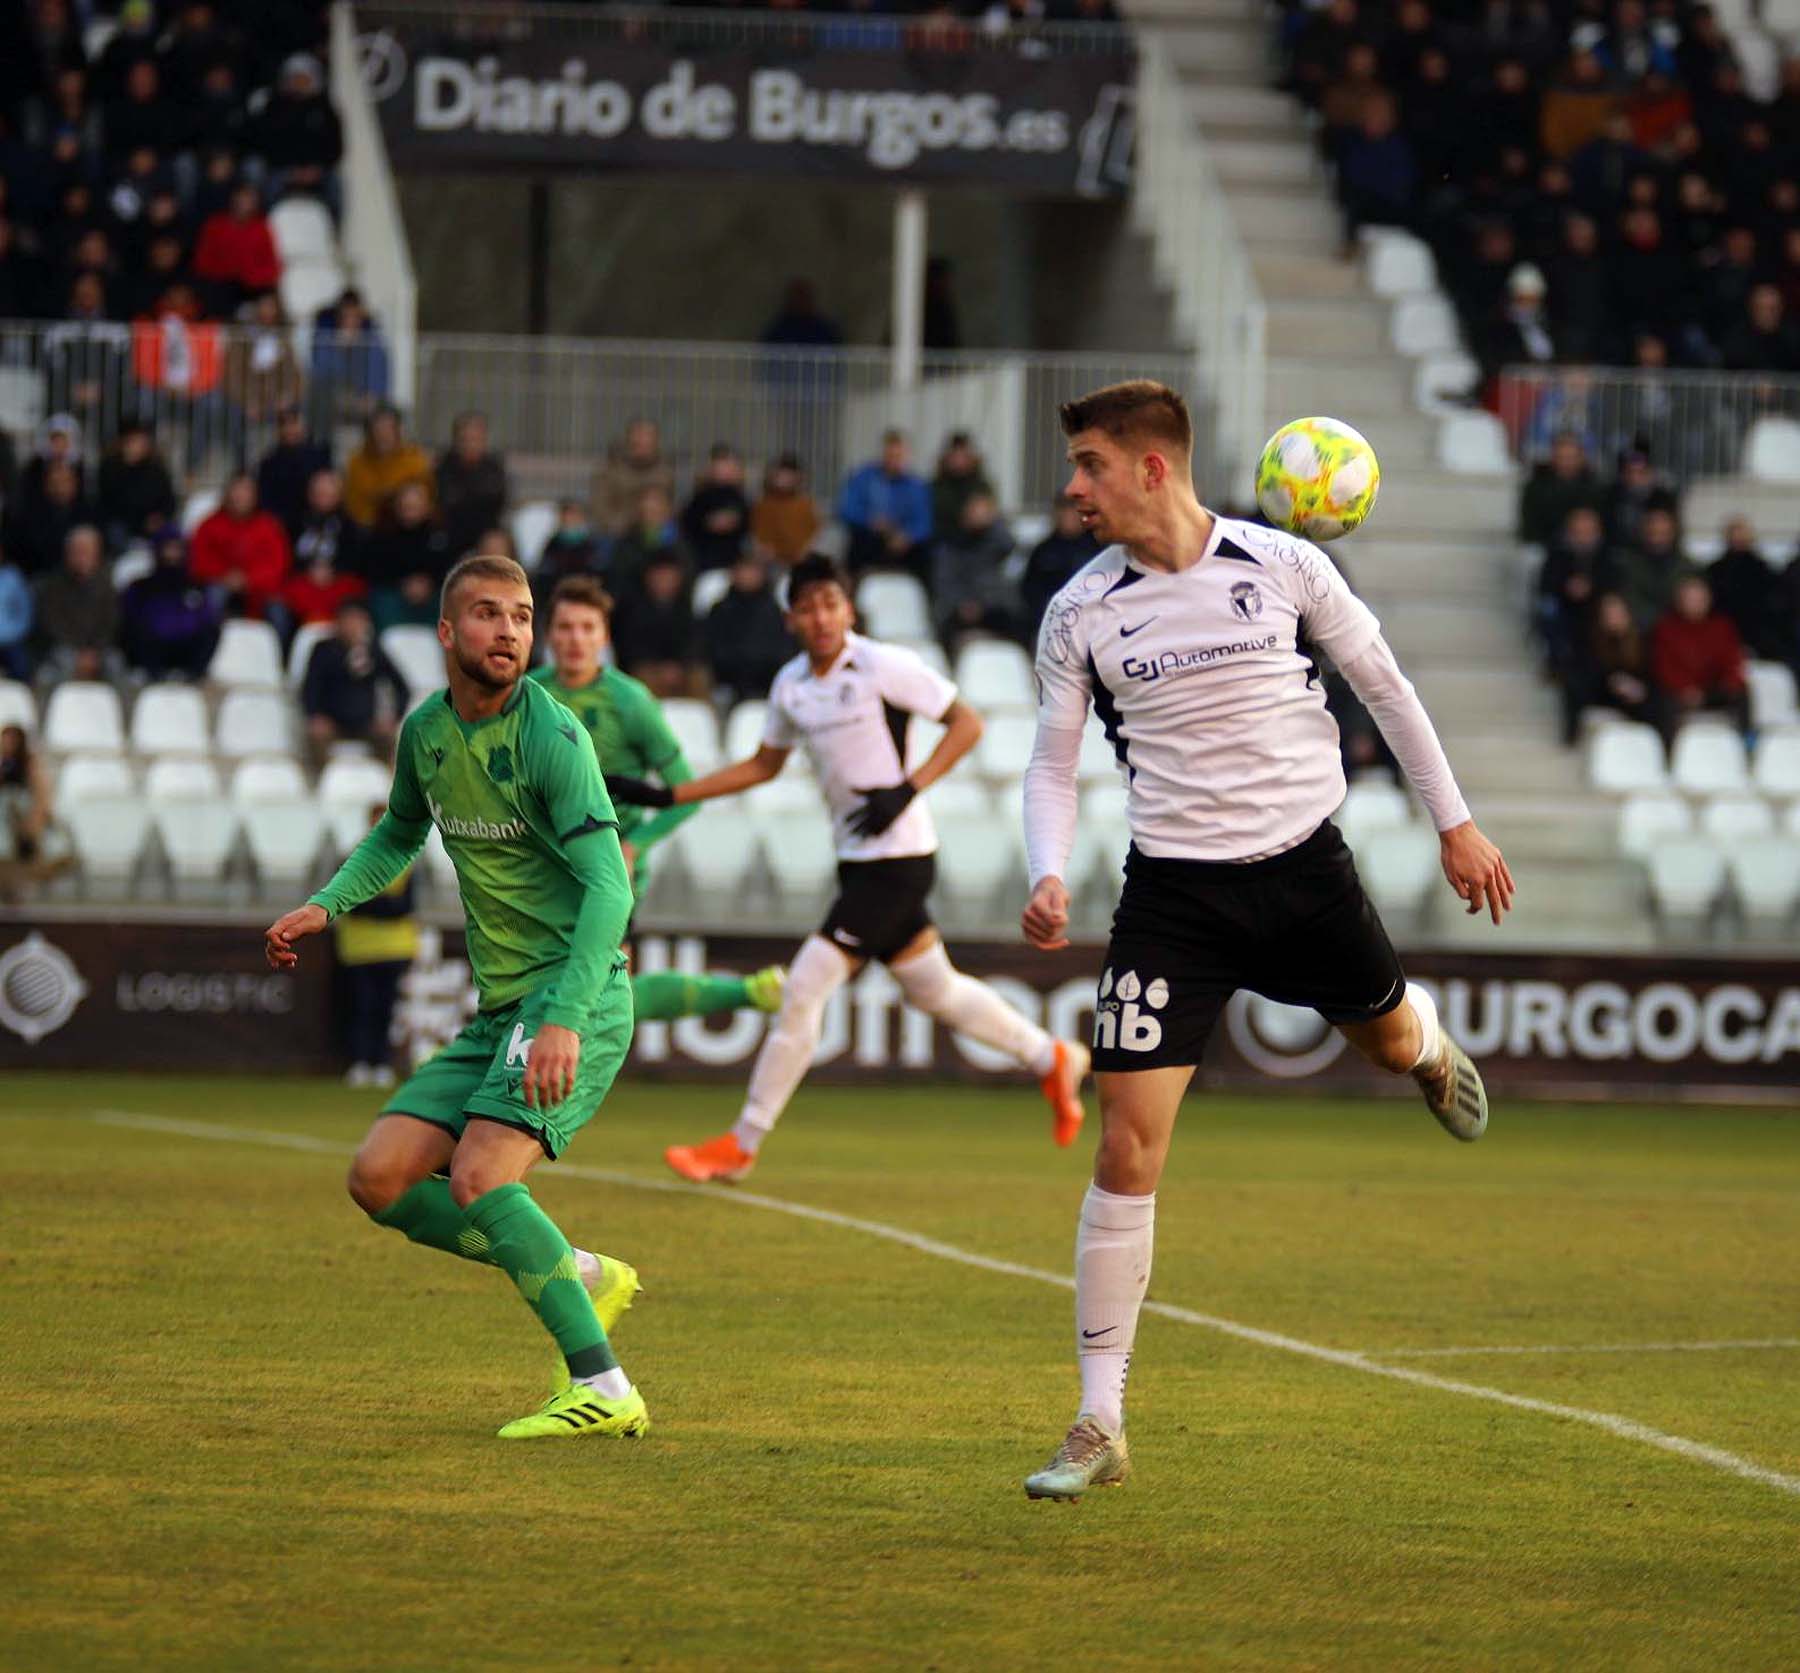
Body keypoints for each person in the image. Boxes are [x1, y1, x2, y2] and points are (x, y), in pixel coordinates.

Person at [1017, 381, 1511, 1501]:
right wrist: (1046, 869)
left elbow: (1384, 688)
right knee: (1125, 1144)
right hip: (1171, 904)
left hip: (1304, 875)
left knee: (1387, 1045)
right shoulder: (1078, 610)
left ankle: (1429, 1046)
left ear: (1152, 467)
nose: (1073, 485)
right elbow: (1052, 762)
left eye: (1090, 463)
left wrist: (1457, 822)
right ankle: (1100, 1419)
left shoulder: (1284, 565)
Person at [263, 552, 649, 1442]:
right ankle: (578, 1270)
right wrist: (328, 903)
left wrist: (562, 1018)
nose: (510, 630)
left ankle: (605, 1386)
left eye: (520, 616)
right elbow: (400, 830)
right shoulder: (427, 730)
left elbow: (610, 889)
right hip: (503, 1008)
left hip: (573, 997)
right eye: (487, 614)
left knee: (478, 1177)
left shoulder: (553, 738)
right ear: (447, 632)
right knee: (380, 1178)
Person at [606, 553, 1091, 1184]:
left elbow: (967, 724)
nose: (821, 617)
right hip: (858, 864)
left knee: (805, 988)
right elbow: (761, 766)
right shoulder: (791, 686)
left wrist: (907, 788)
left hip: (901, 859)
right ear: (791, 620)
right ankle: (1051, 1055)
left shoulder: (883, 665)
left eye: (831, 604)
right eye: (808, 607)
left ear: (848, 610)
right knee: (935, 989)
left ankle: (742, 1142)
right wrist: (668, 796)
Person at [528, 575, 783, 1024]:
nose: (575, 639)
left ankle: (741, 993)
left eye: (587, 628)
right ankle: (745, 992)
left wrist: (634, 845)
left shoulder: (630, 702)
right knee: (559, 993)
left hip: (607, 867)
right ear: (549, 634)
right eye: (566, 627)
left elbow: (684, 793)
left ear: (604, 636)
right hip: (542, 862)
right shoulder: (528, 696)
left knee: (598, 998)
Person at [334, 803, 419, 1088]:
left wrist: (372, 903)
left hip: (393, 949)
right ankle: (360, 1063)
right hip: (359, 950)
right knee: (361, 1008)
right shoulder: (352, 857)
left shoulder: (406, 857)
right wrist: (383, 904)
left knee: (385, 1009)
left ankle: (381, 1063)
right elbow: (348, 901)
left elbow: (404, 906)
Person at [299, 598, 407, 764]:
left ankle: (387, 780)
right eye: (349, 620)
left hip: (365, 723)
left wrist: (394, 717)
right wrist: (314, 715)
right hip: (332, 722)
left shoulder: (373, 650)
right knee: (316, 735)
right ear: (338, 623)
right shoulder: (323, 649)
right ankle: (324, 781)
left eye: (359, 620)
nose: (354, 626)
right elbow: (309, 686)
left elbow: (401, 686)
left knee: (388, 736)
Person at [1651, 573, 1750, 733]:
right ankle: (1669, 750)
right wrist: (1685, 689)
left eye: (1699, 599)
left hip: (1714, 690)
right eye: (1690, 599)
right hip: (1681, 692)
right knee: (1663, 701)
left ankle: (1747, 742)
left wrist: (1727, 684)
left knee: (1742, 692)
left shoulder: (1722, 627)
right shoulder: (1666, 628)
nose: (1695, 604)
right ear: (1679, 601)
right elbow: (1663, 666)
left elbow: (1733, 661)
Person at [121, 528, 223, 679]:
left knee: (211, 631)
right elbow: (133, 618)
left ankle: (193, 676)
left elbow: (206, 616)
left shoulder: (196, 586)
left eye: (177, 549)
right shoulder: (141, 587)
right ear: (158, 550)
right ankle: (153, 676)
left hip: (186, 648)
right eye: (167, 548)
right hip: (154, 649)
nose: (172, 555)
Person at [189, 472, 291, 620]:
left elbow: (277, 564)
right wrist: (225, 576)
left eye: (246, 491)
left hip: (259, 590)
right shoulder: (209, 525)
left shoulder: (269, 527)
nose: (240, 497)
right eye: (236, 491)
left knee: (278, 610)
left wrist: (248, 579)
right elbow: (199, 560)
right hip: (220, 583)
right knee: (212, 598)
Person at [1569, 590, 1670, 741]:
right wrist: (1614, 683)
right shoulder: (1591, 643)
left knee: (1659, 703)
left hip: (1638, 695)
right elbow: (1588, 677)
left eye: (1618, 613)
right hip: (1605, 695)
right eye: (1609, 614)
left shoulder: (1642, 641)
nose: (1614, 618)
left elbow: (1651, 673)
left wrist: (1638, 688)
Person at [931, 490, 1024, 651]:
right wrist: (963, 604)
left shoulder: (1000, 545)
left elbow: (1008, 581)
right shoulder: (952, 547)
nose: (978, 516)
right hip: (959, 610)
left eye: (984, 511)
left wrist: (984, 606)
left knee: (1019, 621)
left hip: (993, 609)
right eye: (974, 510)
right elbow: (944, 583)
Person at [838, 430, 933, 577]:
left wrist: (908, 536)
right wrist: (869, 520)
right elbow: (846, 509)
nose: (895, 460)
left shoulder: (916, 485)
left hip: (902, 539)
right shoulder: (863, 477)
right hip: (870, 534)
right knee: (859, 541)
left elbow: (924, 521)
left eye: (899, 456)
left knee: (926, 551)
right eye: (891, 456)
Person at [704, 549, 793, 702]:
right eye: (743, 569)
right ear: (733, 573)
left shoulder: (775, 612)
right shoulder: (719, 610)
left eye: (753, 569)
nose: (748, 575)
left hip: (768, 684)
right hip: (728, 684)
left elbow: (783, 651)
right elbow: (712, 650)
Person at [360, 481, 450, 631]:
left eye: (415, 506)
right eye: (406, 507)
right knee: (380, 599)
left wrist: (428, 584)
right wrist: (403, 585)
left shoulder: (440, 534)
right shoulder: (382, 534)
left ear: (427, 507)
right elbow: (374, 570)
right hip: (394, 594)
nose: (410, 511)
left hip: (431, 594)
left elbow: (447, 567)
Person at [610, 548, 698, 698]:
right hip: (644, 666)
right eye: (660, 575)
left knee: (698, 675)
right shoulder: (632, 609)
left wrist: (678, 664)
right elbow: (629, 646)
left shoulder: (686, 607)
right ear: (648, 577)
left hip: (680, 666)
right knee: (644, 677)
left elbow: (694, 642)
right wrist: (660, 667)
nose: (664, 580)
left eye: (669, 575)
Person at [34, 525, 117, 681]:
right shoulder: (53, 586)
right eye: (76, 551)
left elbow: (111, 623)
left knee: (115, 664)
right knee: (58, 665)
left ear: (97, 554)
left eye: (86, 551)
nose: (81, 556)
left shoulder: (107, 586)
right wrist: (78, 653)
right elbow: (51, 623)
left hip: (98, 650)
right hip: (64, 648)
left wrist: (94, 651)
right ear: (67, 554)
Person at [344, 405, 433, 529]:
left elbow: (423, 501)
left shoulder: (415, 459)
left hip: (407, 529)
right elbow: (354, 504)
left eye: (389, 428)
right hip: (367, 529)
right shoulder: (357, 462)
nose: (383, 434)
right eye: (378, 429)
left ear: (398, 431)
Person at [1021, 494, 1100, 634]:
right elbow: (1030, 591)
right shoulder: (1044, 551)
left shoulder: (1097, 550)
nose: (1067, 517)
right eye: (1063, 511)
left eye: (1072, 512)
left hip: (1091, 622)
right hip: (1049, 622)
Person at [435, 411, 510, 559]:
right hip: (450, 538)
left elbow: (498, 506)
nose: (470, 445)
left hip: (485, 536)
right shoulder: (443, 468)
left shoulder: (494, 469)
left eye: (475, 439)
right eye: (465, 439)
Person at [95, 418, 177, 550]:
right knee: (115, 533)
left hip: (152, 523)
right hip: (122, 523)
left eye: (142, 441)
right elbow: (112, 502)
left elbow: (169, 500)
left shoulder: (156, 468)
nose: (138, 445)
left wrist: (160, 517)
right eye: (133, 441)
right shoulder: (110, 467)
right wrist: (127, 466)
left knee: (171, 536)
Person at [589, 418, 675, 542]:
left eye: (647, 441)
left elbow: (670, 506)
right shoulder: (609, 471)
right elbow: (600, 510)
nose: (642, 445)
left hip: (655, 531)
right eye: (637, 442)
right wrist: (626, 527)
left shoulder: (665, 472)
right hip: (618, 533)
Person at [1518, 431, 1606, 548]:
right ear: (1553, 458)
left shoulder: (1595, 487)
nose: (1566, 463)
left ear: (1581, 458)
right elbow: (1530, 527)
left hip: (1585, 547)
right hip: (1544, 546)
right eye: (1562, 458)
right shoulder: (1536, 487)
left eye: (1571, 458)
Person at [256, 404, 332, 538]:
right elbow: (265, 502)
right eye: (284, 424)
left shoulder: (321, 456)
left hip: (317, 526)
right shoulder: (269, 463)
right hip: (281, 529)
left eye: (294, 423)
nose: (289, 429)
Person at [678, 443, 751, 572]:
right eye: (719, 466)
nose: (723, 471)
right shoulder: (698, 498)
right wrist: (707, 522)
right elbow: (687, 526)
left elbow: (747, 529)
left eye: (728, 466)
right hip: (702, 561)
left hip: (734, 564)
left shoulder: (742, 500)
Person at [750, 453, 820, 568]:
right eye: (781, 473)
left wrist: (806, 552)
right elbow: (758, 538)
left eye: (790, 474)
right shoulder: (762, 505)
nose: (785, 478)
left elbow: (816, 535)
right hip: (770, 563)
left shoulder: (807, 505)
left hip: (802, 562)